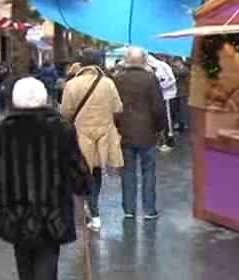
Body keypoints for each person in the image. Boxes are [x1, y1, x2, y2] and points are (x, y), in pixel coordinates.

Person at [0, 77, 92, 280]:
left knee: (23, 255)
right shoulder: (61, 129)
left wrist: (0, 196)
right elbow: (76, 168)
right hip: (51, 210)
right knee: (48, 257)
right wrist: (83, 186)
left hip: (14, 211)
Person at [60, 48, 124, 231]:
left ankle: (88, 209)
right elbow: (118, 108)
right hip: (103, 136)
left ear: (82, 63)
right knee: (96, 173)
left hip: (80, 135)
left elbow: (65, 112)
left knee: (82, 171)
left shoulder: (72, 84)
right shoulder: (108, 83)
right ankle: (94, 211)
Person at [114, 47, 166, 220]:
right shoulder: (151, 79)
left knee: (127, 171)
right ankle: (149, 209)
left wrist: (116, 127)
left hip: (125, 132)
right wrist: (160, 128)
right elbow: (158, 108)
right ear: (144, 60)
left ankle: (129, 209)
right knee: (148, 171)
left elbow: (114, 108)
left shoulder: (118, 79)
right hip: (147, 132)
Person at [147, 53, 177, 152]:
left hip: (168, 96)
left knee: (168, 119)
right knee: (161, 119)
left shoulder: (163, 66)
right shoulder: (149, 68)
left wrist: (161, 86)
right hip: (158, 97)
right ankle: (162, 140)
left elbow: (172, 79)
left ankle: (170, 141)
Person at [171, 57, 190, 132]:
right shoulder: (176, 69)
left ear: (180, 62)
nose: (175, 63)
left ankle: (184, 123)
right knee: (177, 109)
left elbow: (180, 73)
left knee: (183, 109)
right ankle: (178, 123)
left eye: (176, 62)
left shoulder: (185, 69)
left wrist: (172, 67)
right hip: (177, 92)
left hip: (183, 92)